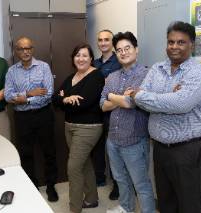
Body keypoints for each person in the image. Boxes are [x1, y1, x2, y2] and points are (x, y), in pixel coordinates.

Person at [129, 21, 201, 213]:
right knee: (165, 202)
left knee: (188, 204)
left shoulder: (199, 72)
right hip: (160, 148)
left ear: (192, 44)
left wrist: (147, 96)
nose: (174, 47)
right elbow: (139, 101)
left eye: (181, 42)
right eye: (171, 42)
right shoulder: (157, 68)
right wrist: (168, 97)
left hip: (188, 150)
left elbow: (181, 105)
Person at [101, 32, 155, 213]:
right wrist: (118, 97)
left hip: (134, 140)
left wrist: (112, 96)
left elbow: (132, 102)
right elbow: (102, 104)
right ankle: (126, 208)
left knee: (141, 184)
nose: (123, 53)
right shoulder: (112, 76)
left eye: (127, 48)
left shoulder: (146, 74)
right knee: (120, 179)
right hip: (113, 139)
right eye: (119, 50)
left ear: (136, 50)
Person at [4, 36, 59, 202]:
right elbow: (7, 96)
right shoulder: (12, 71)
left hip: (43, 115)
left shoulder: (43, 67)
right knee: (26, 153)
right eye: (21, 49)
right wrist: (29, 93)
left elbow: (48, 94)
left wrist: (24, 99)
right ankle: (32, 186)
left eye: (28, 48)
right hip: (22, 118)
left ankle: (51, 186)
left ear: (32, 49)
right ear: (16, 51)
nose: (25, 51)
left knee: (49, 152)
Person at [53, 43, 105, 213]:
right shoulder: (71, 77)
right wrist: (67, 99)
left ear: (91, 58)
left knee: (73, 167)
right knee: (84, 164)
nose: (81, 58)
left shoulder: (97, 77)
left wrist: (64, 99)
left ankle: (74, 209)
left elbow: (84, 103)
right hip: (70, 126)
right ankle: (91, 199)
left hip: (88, 128)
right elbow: (55, 99)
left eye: (85, 55)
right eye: (77, 55)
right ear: (73, 58)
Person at [92, 29, 122, 200]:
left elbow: (115, 87)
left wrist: (102, 84)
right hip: (96, 111)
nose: (103, 43)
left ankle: (117, 185)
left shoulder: (118, 61)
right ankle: (100, 178)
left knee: (114, 150)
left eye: (106, 40)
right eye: (100, 40)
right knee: (98, 147)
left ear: (112, 42)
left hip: (113, 112)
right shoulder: (94, 63)